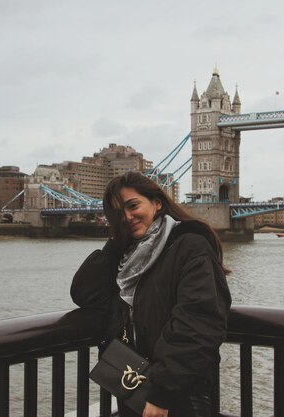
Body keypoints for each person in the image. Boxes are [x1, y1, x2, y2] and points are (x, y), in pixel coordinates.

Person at [71, 171, 231, 417]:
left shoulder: (190, 246)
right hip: (135, 388)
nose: (127, 216)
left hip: (176, 397)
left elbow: (198, 323)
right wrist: (116, 241)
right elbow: (85, 293)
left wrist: (162, 393)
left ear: (157, 202)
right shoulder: (128, 259)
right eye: (117, 214)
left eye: (133, 206)